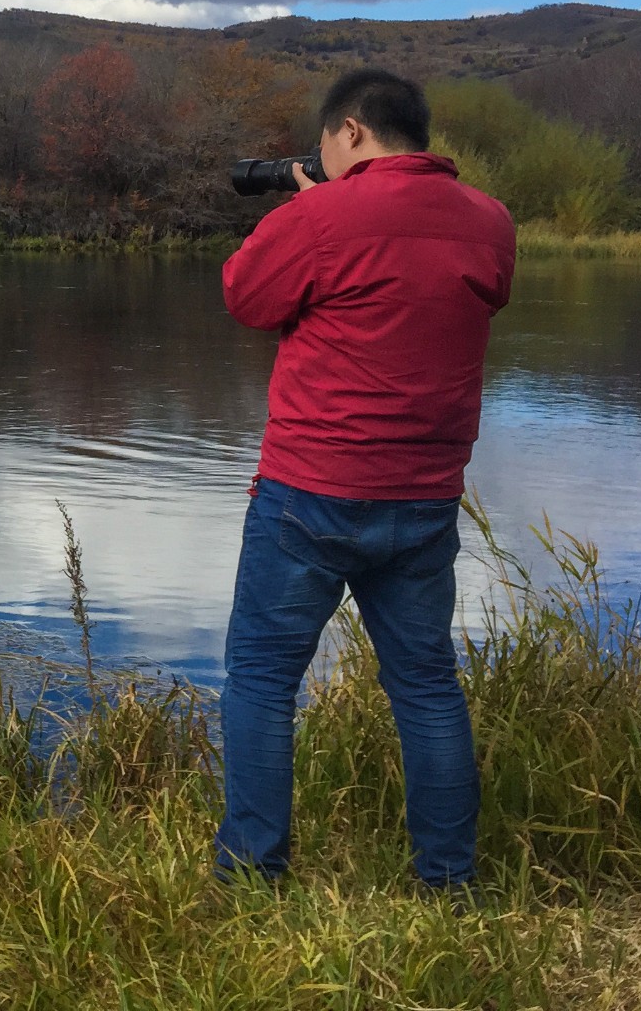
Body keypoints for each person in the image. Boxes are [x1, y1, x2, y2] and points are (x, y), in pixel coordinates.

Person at [216, 67, 516, 890]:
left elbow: (245, 295)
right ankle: (449, 882)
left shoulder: (321, 214)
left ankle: (251, 877)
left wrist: (302, 205)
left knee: (265, 680)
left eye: (323, 143)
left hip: (309, 493)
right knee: (425, 685)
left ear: (350, 131)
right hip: (423, 498)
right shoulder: (490, 222)